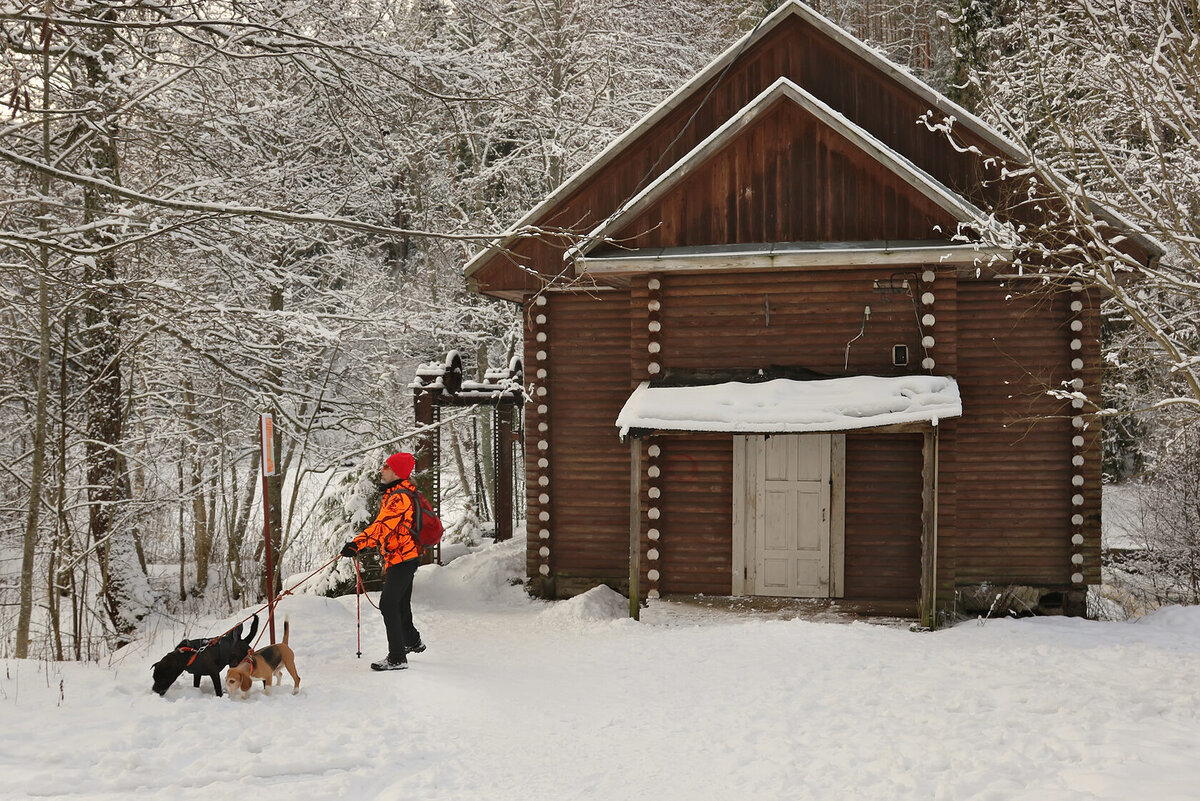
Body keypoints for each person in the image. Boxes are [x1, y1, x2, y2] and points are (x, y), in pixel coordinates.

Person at [340, 452, 427, 671]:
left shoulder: (399, 497)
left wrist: (356, 544)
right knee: (399, 603)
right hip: (404, 556)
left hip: (404, 557)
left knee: (388, 604)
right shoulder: (398, 493)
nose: (382, 470)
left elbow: (382, 526)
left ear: (397, 472)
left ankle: (397, 657)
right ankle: (412, 641)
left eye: (386, 467)